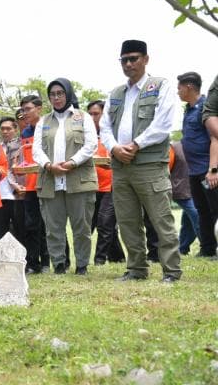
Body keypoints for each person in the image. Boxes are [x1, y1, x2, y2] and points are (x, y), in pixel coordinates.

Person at [100, 39, 182, 282]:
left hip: (149, 164)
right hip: (120, 165)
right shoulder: (115, 94)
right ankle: (136, 269)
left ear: (146, 59)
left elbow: (163, 124)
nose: (128, 64)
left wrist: (136, 145)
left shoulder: (160, 86)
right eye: (124, 60)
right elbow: (104, 127)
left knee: (161, 219)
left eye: (133, 58)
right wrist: (114, 148)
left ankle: (171, 271)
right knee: (127, 220)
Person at [33, 78, 98, 275]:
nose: (56, 97)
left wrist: (72, 163)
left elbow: (91, 145)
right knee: (53, 228)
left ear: (68, 93)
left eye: (60, 93)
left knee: (82, 226)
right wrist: (48, 165)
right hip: (50, 180)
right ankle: (59, 264)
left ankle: (81, 265)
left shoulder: (83, 116)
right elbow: (36, 149)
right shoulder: (43, 121)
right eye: (52, 94)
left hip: (79, 179)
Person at [179, 72, 218, 258]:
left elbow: (214, 139)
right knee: (203, 211)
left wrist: (213, 170)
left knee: (216, 209)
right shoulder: (188, 109)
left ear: (189, 87)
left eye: (179, 87)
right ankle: (207, 249)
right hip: (194, 172)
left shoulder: (205, 108)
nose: (177, 91)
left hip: (208, 170)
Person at [87, 100, 125, 264]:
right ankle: (118, 257)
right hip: (91, 186)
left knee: (104, 222)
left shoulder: (112, 133)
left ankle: (99, 260)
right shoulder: (85, 135)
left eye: (96, 113)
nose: (93, 117)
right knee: (101, 225)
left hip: (111, 185)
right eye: (90, 114)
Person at [19, 96, 51, 273]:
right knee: (31, 225)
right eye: (23, 110)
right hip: (29, 185)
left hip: (47, 182)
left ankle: (49, 261)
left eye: (28, 109)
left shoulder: (48, 127)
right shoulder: (25, 132)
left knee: (49, 223)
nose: (24, 113)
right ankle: (33, 262)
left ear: (39, 108)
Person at [0, 116, 25, 245]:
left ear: (15, 129)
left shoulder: (21, 147)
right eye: (3, 129)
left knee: (20, 231)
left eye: (8, 129)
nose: (5, 131)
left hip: (17, 196)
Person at [167, 141, 200, 255]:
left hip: (197, 189)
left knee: (188, 221)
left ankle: (182, 248)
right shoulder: (174, 147)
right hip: (180, 189)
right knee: (197, 215)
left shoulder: (202, 144)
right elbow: (165, 168)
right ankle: (208, 247)